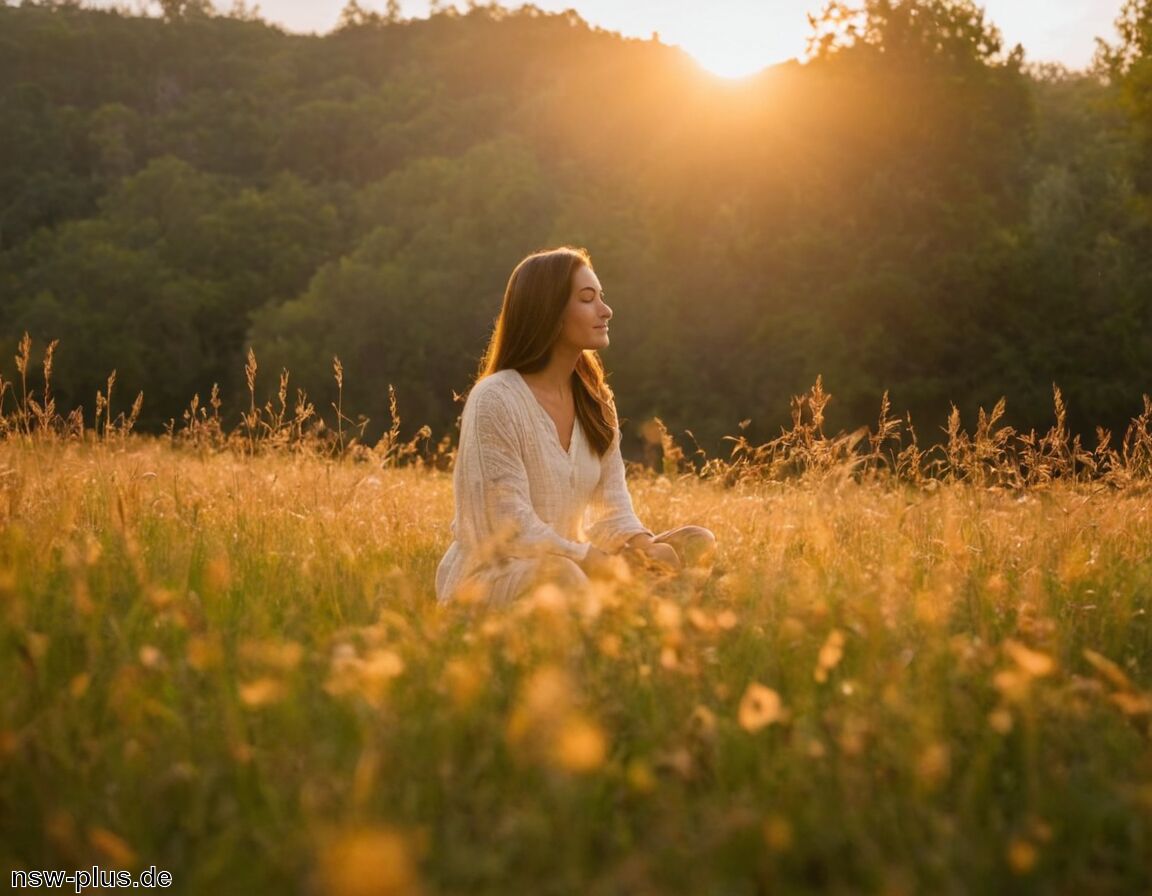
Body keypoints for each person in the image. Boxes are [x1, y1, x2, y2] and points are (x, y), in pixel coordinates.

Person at [435, 246, 716, 606]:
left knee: (695, 542)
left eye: (602, 297)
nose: (606, 310)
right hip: (494, 576)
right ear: (548, 312)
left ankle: (643, 630)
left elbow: (611, 509)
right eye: (588, 299)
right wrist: (587, 559)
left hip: (577, 564)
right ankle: (618, 616)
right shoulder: (496, 398)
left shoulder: (596, 400)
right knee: (562, 575)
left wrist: (642, 548)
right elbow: (508, 526)